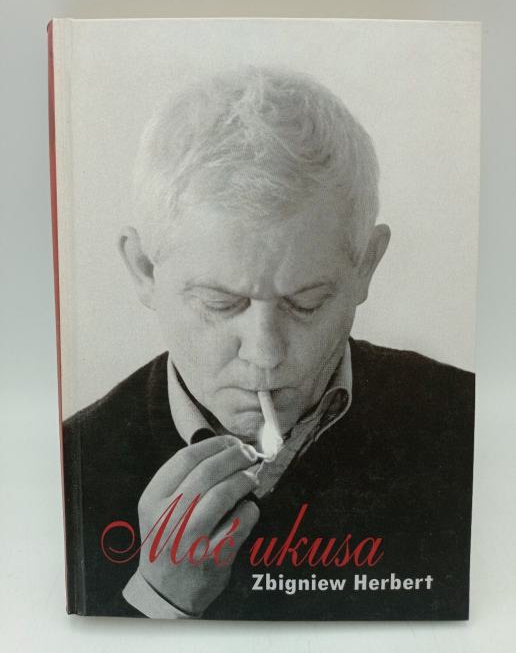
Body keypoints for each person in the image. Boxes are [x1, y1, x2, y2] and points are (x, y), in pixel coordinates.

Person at [63, 67, 474, 620]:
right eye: (219, 303)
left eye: (306, 302)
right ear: (143, 271)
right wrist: (158, 603)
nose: (264, 354)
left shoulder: (471, 425)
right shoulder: (67, 473)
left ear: (367, 266)